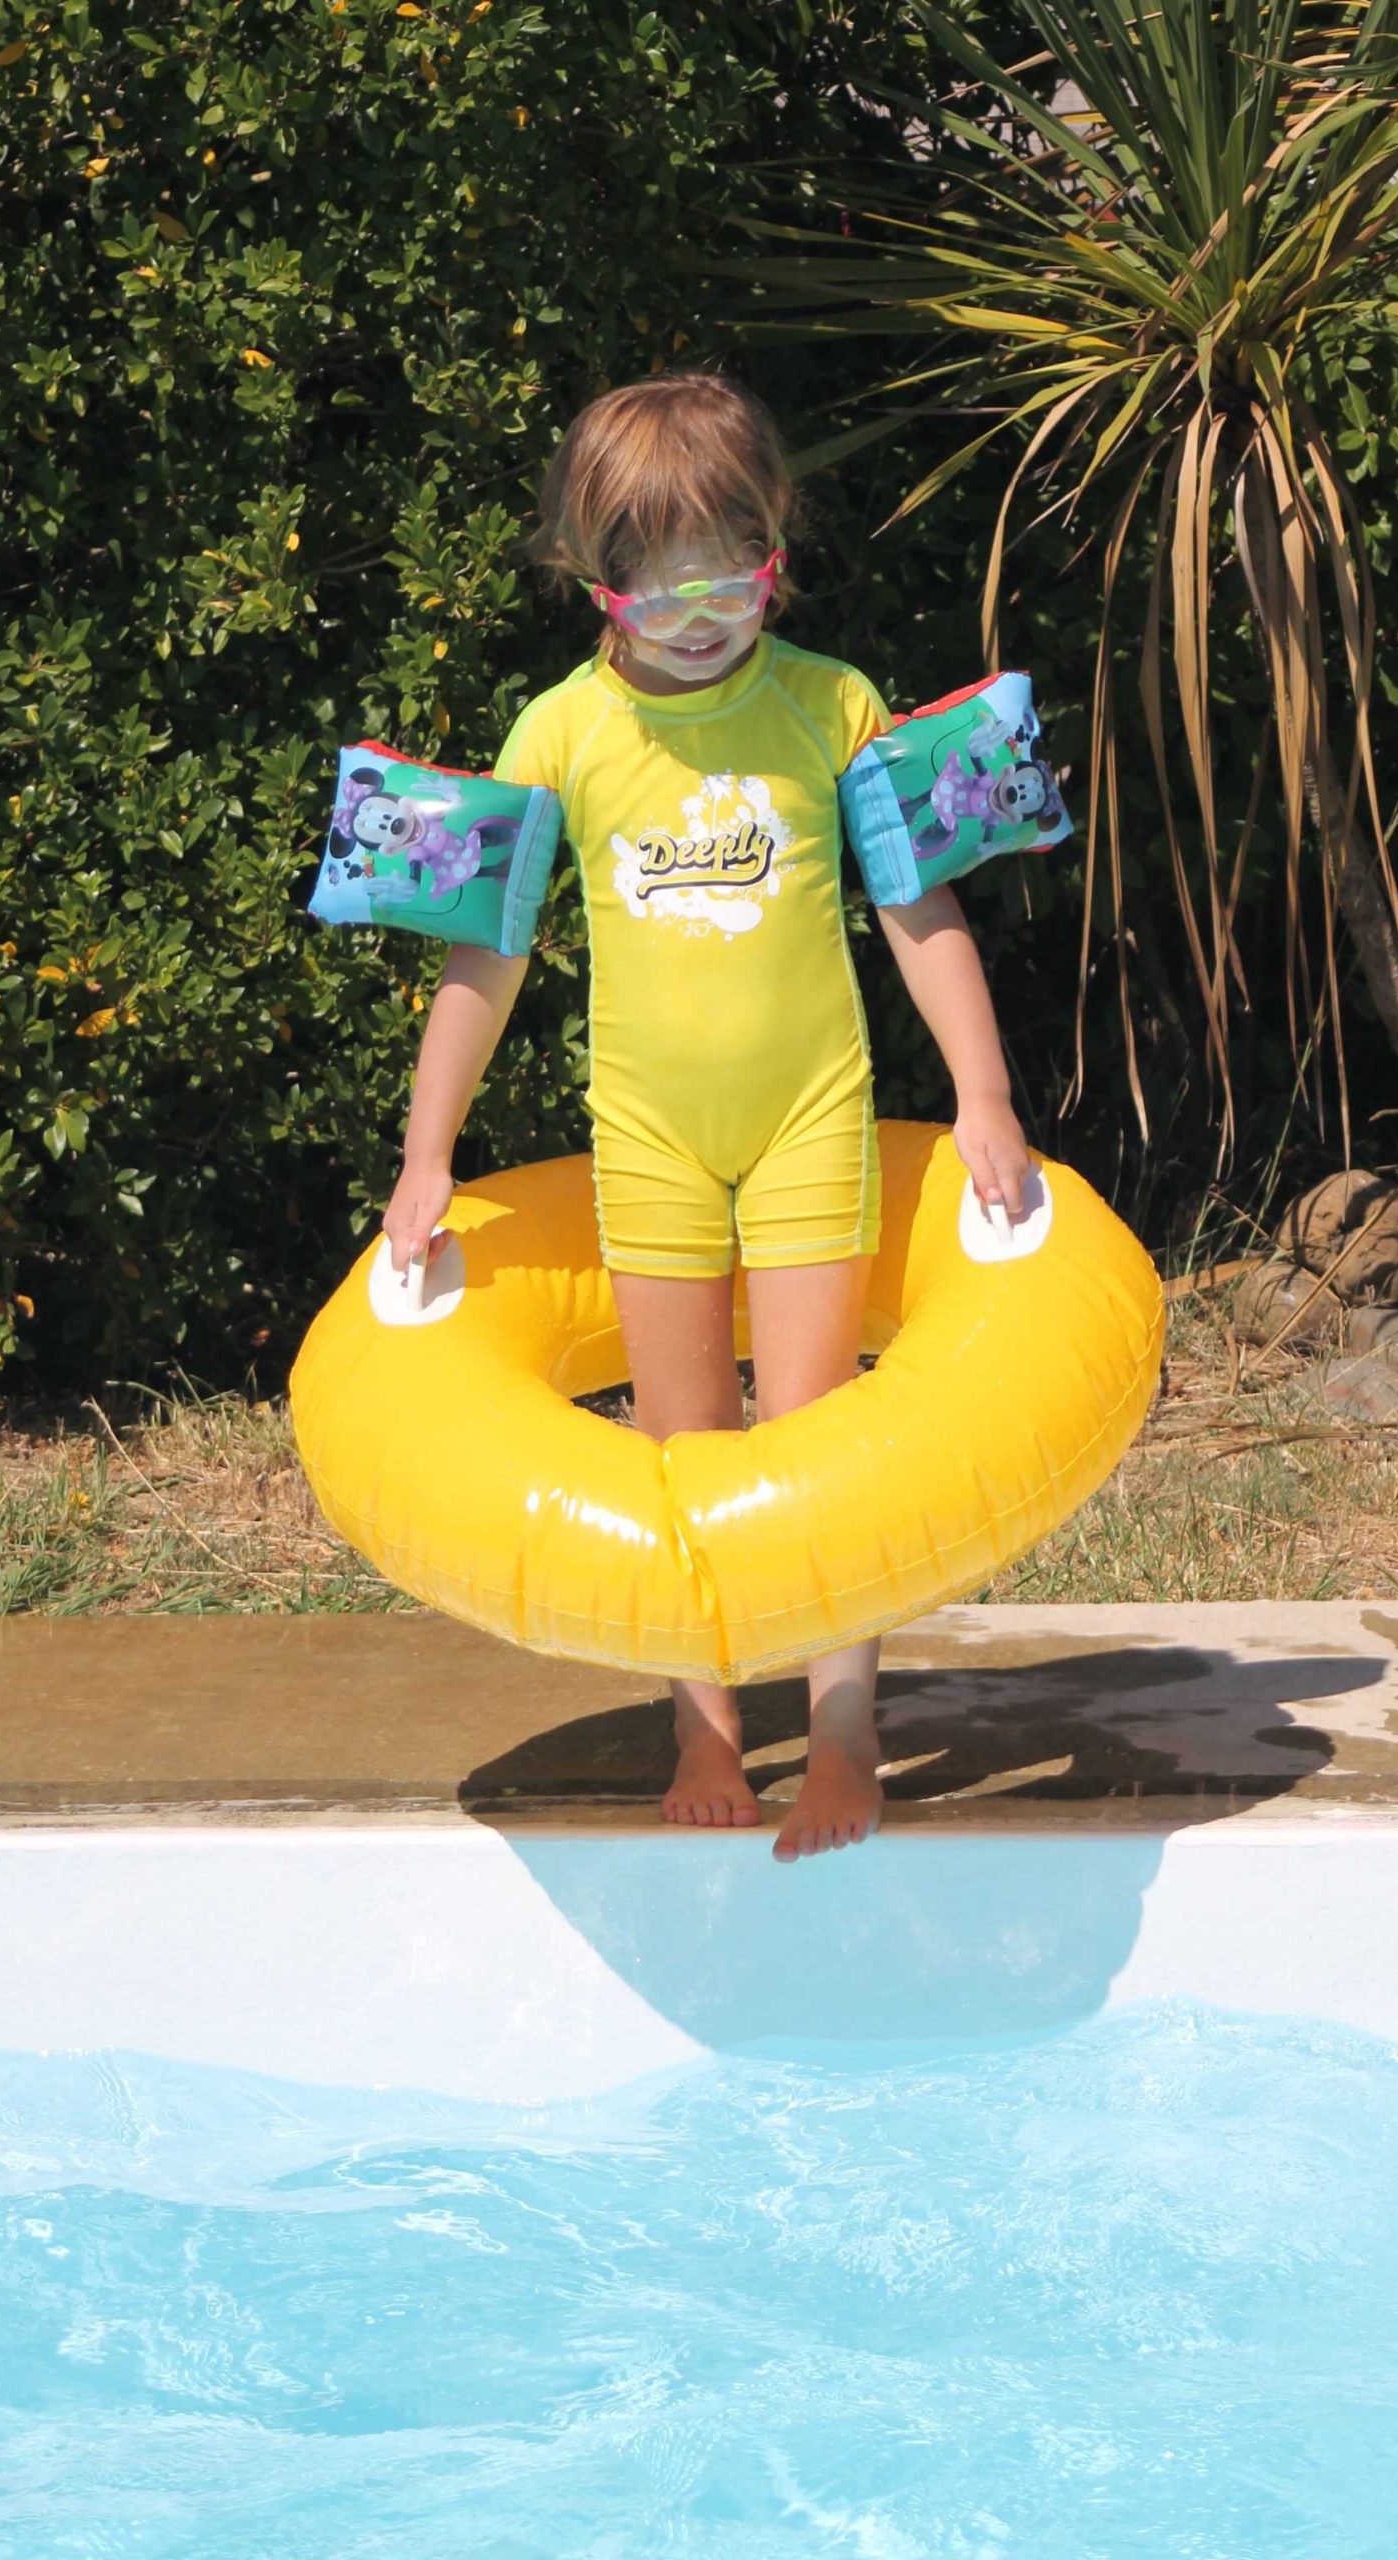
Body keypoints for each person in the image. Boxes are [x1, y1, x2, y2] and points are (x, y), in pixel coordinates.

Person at [382, 372, 1031, 1863]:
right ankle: (706, 1718)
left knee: (812, 1446)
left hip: (809, 1118)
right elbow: (484, 957)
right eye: (660, 591)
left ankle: (847, 1727)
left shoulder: (830, 705)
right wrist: (426, 1155)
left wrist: (984, 1096)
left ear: (773, 550)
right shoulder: (557, 734)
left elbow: (918, 909)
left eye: (728, 581)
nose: (698, 621)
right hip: (650, 1138)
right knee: (685, 1448)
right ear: (592, 578)